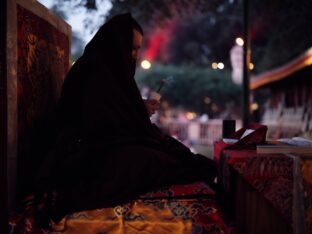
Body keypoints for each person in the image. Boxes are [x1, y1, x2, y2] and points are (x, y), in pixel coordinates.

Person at [31, 13, 217, 224]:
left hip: (108, 143)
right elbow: (98, 123)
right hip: (88, 152)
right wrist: (136, 112)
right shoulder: (93, 69)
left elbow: (117, 110)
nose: (135, 55)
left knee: (168, 148)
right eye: (132, 48)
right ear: (116, 44)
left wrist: (137, 109)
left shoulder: (108, 69)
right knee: (149, 160)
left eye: (138, 49)